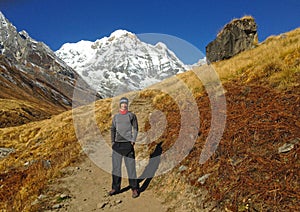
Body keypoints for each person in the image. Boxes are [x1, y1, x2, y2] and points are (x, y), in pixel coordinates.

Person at [109, 97, 139, 198]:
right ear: (120, 105)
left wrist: (133, 140)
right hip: (117, 145)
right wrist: (113, 142)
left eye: (125, 104)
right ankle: (115, 188)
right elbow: (112, 129)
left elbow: (135, 128)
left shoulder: (131, 115)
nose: (124, 105)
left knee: (131, 168)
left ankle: (134, 188)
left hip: (128, 145)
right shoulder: (116, 117)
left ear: (127, 105)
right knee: (116, 168)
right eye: (122, 104)